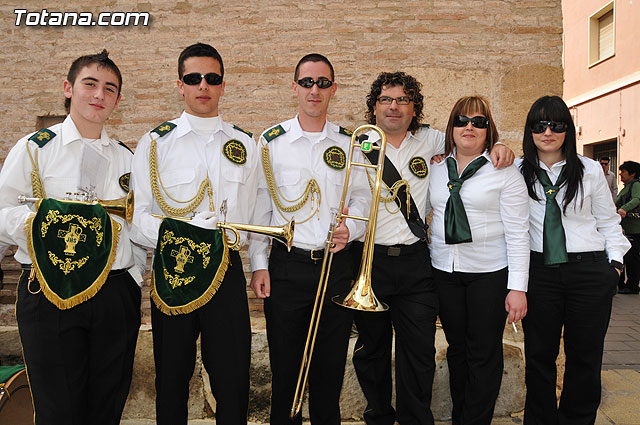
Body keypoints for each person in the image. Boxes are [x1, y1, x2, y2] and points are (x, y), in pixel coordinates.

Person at [351, 73, 515, 425]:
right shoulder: (358, 143)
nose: (393, 106)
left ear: (414, 109)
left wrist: (501, 147)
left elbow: (472, 141)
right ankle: (378, 416)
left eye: (403, 100)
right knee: (371, 351)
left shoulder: (431, 142)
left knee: (419, 353)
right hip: (370, 261)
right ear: (374, 106)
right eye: (386, 99)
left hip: (415, 263)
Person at [0, 50, 146, 425]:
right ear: (68, 88)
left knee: (106, 406)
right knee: (57, 409)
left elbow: (136, 226)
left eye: (109, 89)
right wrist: (47, 224)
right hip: (49, 291)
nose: (99, 94)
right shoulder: (34, 148)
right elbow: (2, 214)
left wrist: (132, 281)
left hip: (114, 291)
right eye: (90, 84)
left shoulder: (128, 160)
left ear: (117, 100)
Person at [130, 43, 258, 425]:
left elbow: (249, 216)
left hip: (225, 269)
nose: (203, 85)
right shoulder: (155, 143)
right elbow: (139, 218)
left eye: (212, 78)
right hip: (175, 271)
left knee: (233, 377)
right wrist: (184, 235)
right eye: (193, 78)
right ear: (180, 84)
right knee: (171, 377)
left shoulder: (245, 143)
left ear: (222, 85)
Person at [249, 53, 370, 425]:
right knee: (286, 372)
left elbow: (363, 198)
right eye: (306, 82)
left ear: (333, 89)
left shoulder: (351, 142)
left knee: (328, 373)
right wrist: (259, 265)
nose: (314, 90)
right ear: (294, 87)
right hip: (287, 268)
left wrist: (353, 229)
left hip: (335, 270)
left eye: (322, 83)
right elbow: (260, 208)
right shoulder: (271, 143)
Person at [519, 95, 630, 425]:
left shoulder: (590, 169)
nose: (548, 132)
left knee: (585, 357)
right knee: (539, 357)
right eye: (540, 125)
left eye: (557, 125)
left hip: (589, 270)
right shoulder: (514, 171)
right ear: (530, 130)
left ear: (568, 130)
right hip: (539, 273)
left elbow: (608, 220)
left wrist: (615, 265)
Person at [427, 95, 529, 425]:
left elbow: (518, 232)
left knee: (484, 353)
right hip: (445, 271)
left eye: (479, 122)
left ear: (489, 130)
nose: (469, 127)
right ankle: (462, 416)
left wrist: (518, 288)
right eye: (462, 120)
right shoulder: (436, 168)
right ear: (452, 126)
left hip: (489, 272)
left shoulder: (505, 171)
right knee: (457, 349)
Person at [615, 160, 640, 294]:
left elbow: (637, 199)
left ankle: (633, 285)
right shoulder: (626, 187)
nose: (621, 174)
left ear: (633, 173)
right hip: (624, 228)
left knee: (632, 258)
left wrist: (624, 209)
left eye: (624, 171)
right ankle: (623, 285)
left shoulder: (636, 185)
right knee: (625, 256)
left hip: (634, 228)